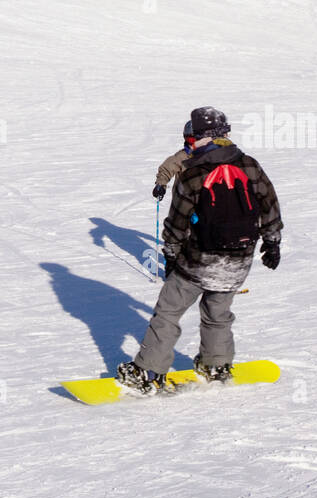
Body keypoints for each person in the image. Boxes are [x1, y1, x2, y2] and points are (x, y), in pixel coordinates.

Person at [117, 106, 282, 395]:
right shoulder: (250, 165)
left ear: (198, 137)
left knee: (168, 311)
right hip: (238, 261)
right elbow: (269, 205)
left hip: (198, 260)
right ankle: (216, 365)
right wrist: (272, 242)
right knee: (218, 312)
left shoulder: (193, 172)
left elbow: (178, 220)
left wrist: (170, 253)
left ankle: (147, 372)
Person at [151, 120, 197, 201]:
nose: (193, 144)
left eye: (196, 140)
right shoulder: (182, 156)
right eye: (190, 140)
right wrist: (160, 185)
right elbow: (166, 169)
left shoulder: (212, 155)